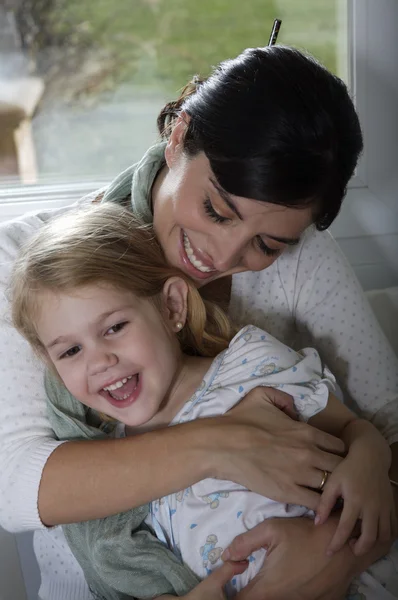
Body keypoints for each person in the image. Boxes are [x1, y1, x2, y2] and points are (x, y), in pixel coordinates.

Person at [0, 45, 397, 600]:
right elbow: (16, 484)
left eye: (266, 243)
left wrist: (362, 487)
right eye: (217, 210)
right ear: (179, 135)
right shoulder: (29, 266)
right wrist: (220, 444)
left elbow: (387, 422)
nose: (223, 255)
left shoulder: (300, 266)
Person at [11, 203, 397, 600]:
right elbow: (137, 568)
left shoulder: (251, 367)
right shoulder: (108, 464)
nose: (100, 361)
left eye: (115, 327)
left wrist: (371, 458)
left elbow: (352, 429)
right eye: (71, 351)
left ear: (171, 307)